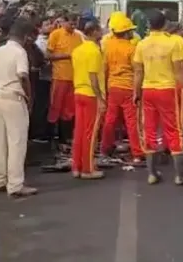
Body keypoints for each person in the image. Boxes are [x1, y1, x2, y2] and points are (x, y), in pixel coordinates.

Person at [0, 18, 38, 197]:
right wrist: (29, 97)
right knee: (17, 141)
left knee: (0, 139)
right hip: (15, 97)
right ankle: (16, 184)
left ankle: (0, 179)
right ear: (25, 36)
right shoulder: (20, 52)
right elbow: (23, 75)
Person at [133, 9, 183, 185]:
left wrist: (136, 92)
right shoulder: (174, 42)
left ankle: (152, 174)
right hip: (168, 90)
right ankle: (180, 175)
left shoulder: (142, 44)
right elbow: (179, 71)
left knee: (149, 131)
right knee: (174, 131)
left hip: (148, 90)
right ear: (165, 24)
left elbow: (138, 72)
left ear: (149, 25)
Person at [100, 14, 143, 165]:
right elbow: (138, 71)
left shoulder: (108, 46)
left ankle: (104, 149)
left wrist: (105, 88)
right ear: (126, 32)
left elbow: (104, 69)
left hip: (113, 87)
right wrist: (137, 91)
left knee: (110, 119)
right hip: (128, 87)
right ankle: (137, 153)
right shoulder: (132, 48)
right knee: (131, 122)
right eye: (130, 30)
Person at [70, 21, 106, 179]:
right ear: (94, 32)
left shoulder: (77, 50)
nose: (102, 32)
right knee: (90, 133)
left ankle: (76, 167)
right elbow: (93, 78)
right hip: (91, 94)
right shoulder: (94, 51)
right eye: (100, 30)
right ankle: (87, 169)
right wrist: (101, 99)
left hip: (78, 92)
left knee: (79, 131)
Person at [46, 13, 83, 145]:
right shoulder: (55, 34)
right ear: (64, 22)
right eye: (71, 23)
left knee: (68, 109)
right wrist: (67, 56)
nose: (73, 26)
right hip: (59, 76)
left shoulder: (78, 36)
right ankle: (51, 137)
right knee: (55, 106)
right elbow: (48, 55)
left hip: (73, 78)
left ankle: (64, 138)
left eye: (75, 24)